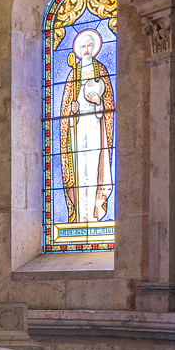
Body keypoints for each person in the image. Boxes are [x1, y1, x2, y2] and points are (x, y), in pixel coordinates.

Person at [59, 27, 115, 227]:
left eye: (90, 45)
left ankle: (93, 214)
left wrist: (98, 101)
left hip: (95, 125)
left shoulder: (102, 72)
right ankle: (80, 215)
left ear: (94, 47)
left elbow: (108, 105)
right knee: (79, 169)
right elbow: (65, 107)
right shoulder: (73, 74)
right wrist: (71, 109)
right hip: (77, 127)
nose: (86, 49)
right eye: (83, 45)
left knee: (93, 169)